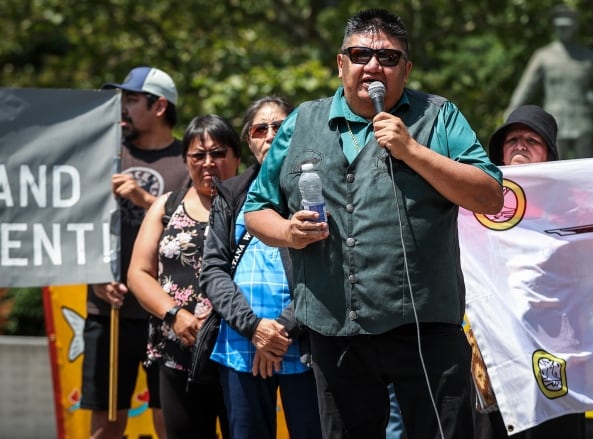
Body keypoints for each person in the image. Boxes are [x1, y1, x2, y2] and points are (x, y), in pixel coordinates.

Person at [242, 8, 503, 438]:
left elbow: (490, 196)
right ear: (341, 63)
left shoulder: (438, 116)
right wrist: (289, 232)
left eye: (388, 58)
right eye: (360, 54)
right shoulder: (301, 122)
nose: (373, 66)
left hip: (424, 329)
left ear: (407, 68)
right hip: (334, 329)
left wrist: (412, 151)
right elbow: (256, 209)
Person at [199, 96, 323, 438]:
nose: (270, 135)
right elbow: (212, 270)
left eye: (280, 127)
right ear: (249, 139)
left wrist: (280, 329)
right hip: (241, 345)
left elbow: (333, 269)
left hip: (305, 344)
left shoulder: (318, 189)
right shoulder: (232, 193)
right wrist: (254, 328)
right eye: (259, 129)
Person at [82, 66, 190, 439]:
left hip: (167, 315)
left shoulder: (188, 160)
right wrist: (94, 276)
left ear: (159, 106)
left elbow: (197, 228)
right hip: (107, 310)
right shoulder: (104, 153)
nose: (121, 108)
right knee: (106, 422)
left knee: (169, 421)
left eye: (130, 99)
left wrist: (145, 200)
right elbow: (73, 225)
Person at [471, 105, 584, 438]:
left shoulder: (572, 205)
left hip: (557, 349)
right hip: (496, 350)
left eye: (531, 140)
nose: (519, 145)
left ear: (548, 154)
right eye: (512, 139)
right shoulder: (477, 200)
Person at [127, 114, 240, 438]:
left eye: (218, 153)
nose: (208, 163)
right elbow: (138, 273)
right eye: (198, 155)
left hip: (240, 352)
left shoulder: (255, 206)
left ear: (236, 156)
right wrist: (174, 314)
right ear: (186, 160)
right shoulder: (166, 206)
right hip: (179, 353)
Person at [504, 5, 593, 159]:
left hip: (583, 122)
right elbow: (526, 88)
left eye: (567, 27)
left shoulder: (591, 58)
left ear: (575, 27)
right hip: (554, 122)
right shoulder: (543, 56)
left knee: (587, 170)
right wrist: (511, 111)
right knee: (554, 168)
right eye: (559, 27)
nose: (563, 30)